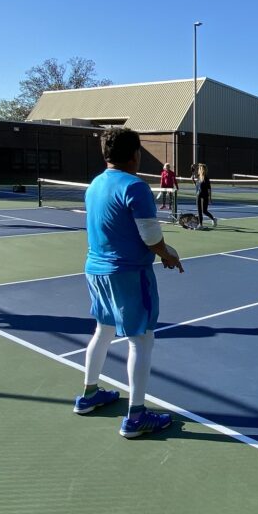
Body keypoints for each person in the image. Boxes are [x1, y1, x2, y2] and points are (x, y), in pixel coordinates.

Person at [73, 127, 185, 438]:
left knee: (103, 330)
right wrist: (168, 254)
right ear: (135, 154)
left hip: (96, 271)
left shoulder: (94, 185)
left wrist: (160, 251)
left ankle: (89, 394)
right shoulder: (135, 187)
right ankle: (136, 416)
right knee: (142, 340)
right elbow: (151, 237)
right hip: (129, 274)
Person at [195, 162, 217, 228]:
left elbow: (209, 189)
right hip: (198, 195)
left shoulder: (206, 179)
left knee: (204, 211)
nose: (199, 170)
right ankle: (201, 224)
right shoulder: (198, 178)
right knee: (199, 211)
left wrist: (210, 198)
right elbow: (197, 186)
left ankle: (213, 219)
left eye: (200, 169)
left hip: (205, 196)